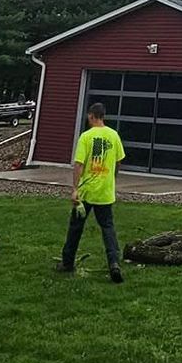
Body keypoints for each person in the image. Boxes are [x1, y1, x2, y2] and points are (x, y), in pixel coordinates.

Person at [60, 101, 125, 282]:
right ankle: (114, 263)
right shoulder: (114, 136)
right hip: (105, 192)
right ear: (103, 116)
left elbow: (79, 164)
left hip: (86, 192)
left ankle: (67, 262)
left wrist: (75, 189)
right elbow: (119, 161)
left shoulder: (86, 137)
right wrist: (112, 179)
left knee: (76, 227)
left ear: (91, 116)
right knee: (108, 228)